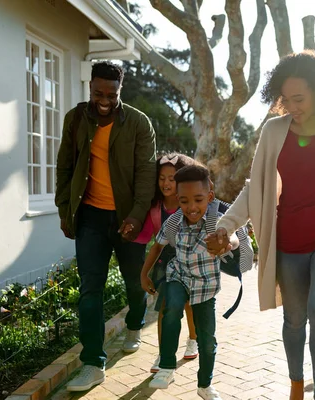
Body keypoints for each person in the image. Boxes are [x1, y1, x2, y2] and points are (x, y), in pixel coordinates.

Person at [208, 51, 315, 400]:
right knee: (295, 320)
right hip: (289, 242)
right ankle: (297, 382)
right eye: (285, 99)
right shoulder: (274, 131)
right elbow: (257, 187)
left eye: (299, 98)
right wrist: (226, 225)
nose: (291, 106)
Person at [55, 61, 156, 392]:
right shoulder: (76, 119)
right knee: (90, 289)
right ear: (90, 88)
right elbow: (64, 166)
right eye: (98, 92)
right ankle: (93, 363)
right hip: (90, 217)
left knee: (134, 282)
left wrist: (137, 215)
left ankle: (134, 325)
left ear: (119, 91)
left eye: (110, 94)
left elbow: (146, 175)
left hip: (128, 217)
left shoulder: (138, 124)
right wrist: (64, 209)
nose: (104, 100)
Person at [140, 164, 237, 399]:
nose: (191, 207)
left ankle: (205, 385)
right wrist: (144, 274)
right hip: (179, 277)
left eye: (198, 200)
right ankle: (166, 367)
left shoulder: (216, 221)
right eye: (184, 201)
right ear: (178, 199)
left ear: (210, 197)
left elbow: (233, 239)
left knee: (207, 340)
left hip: (205, 287)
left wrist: (226, 243)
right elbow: (157, 246)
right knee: (171, 309)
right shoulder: (174, 222)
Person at [133, 152, 201, 373]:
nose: (166, 183)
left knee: (189, 304)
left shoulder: (188, 205)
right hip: (164, 264)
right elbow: (147, 239)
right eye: (162, 178)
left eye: (172, 178)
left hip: (189, 261)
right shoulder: (155, 207)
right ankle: (163, 355)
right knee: (164, 308)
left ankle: (193, 338)